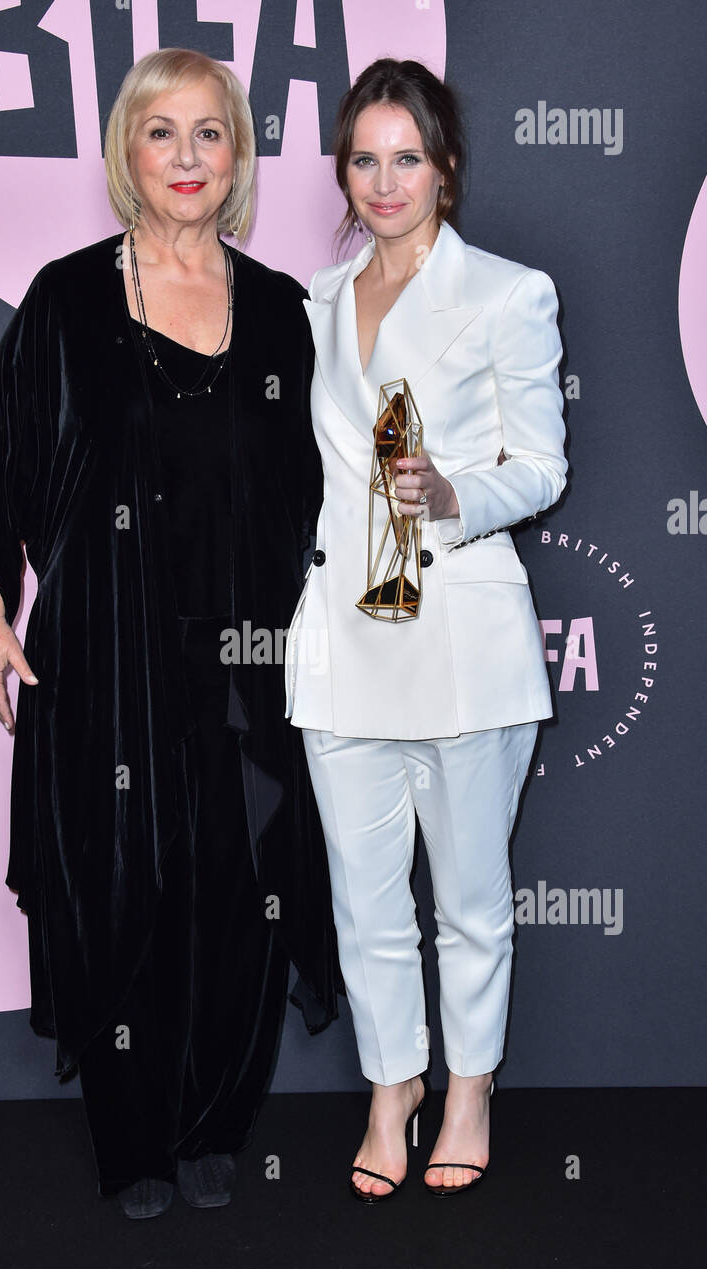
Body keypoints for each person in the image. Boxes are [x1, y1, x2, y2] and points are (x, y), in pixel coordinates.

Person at [0, 47, 340, 1220]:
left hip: (251, 663)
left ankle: (216, 1118)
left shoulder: (282, 311)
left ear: (238, 157)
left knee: (239, 890)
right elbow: (1, 470)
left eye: (210, 133)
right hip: (107, 656)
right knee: (123, 889)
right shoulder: (66, 299)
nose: (187, 157)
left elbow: (329, 488)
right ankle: (131, 1144)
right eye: (161, 132)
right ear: (128, 152)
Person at [285, 58, 567, 1200]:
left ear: (445, 170)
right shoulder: (310, 302)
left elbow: (541, 466)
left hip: (456, 637)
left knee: (466, 900)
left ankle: (467, 1086)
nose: (385, 179)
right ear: (343, 172)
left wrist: (454, 495)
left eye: (408, 157)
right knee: (363, 897)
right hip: (342, 640)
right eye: (365, 157)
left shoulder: (507, 292)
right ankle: (391, 1082)